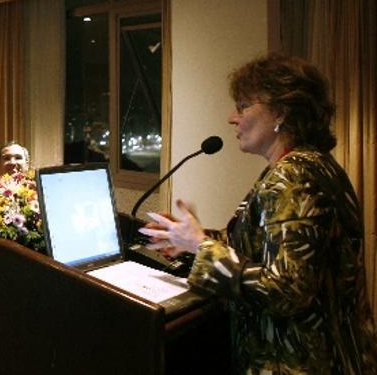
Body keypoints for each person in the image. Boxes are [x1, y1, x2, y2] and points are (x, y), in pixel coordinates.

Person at [140, 54, 377, 374]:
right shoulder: (316, 164)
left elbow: (287, 291)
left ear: (280, 111)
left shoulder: (292, 177)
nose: (232, 118)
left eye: (242, 106)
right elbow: (266, 246)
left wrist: (201, 247)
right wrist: (191, 238)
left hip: (299, 363)